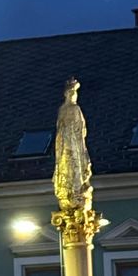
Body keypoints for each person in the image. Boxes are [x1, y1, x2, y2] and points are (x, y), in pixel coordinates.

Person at [53, 77, 92, 211]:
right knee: (69, 166)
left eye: (74, 93)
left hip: (73, 142)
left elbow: (81, 129)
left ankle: (76, 190)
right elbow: (63, 127)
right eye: (71, 93)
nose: (73, 95)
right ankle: (72, 191)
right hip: (67, 143)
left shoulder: (74, 109)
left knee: (75, 166)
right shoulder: (65, 109)